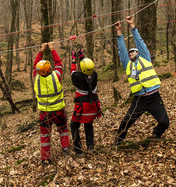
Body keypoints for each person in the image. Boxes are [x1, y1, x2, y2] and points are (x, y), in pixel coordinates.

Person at [114, 16, 169, 145]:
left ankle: (156, 134)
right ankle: (117, 142)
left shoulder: (145, 57)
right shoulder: (127, 64)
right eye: (129, 53)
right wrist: (119, 31)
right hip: (139, 100)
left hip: (154, 98)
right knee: (125, 122)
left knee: (164, 122)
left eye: (132, 51)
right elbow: (122, 50)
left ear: (138, 53)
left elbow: (139, 41)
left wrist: (132, 25)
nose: (130, 53)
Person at [33, 42, 70, 167]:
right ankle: (66, 149)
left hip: (44, 114)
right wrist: (52, 49)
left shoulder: (36, 78)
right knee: (63, 130)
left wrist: (41, 50)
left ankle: (45, 159)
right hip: (58, 112)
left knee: (45, 135)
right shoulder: (56, 76)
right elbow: (59, 63)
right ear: (49, 69)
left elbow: (35, 67)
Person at [70, 48, 101, 154]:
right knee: (88, 125)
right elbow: (86, 68)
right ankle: (90, 147)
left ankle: (78, 149)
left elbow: (73, 71)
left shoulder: (77, 77)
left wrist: (74, 59)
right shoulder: (94, 75)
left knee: (74, 126)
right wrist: (82, 57)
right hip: (93, 106)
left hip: (82, 107)